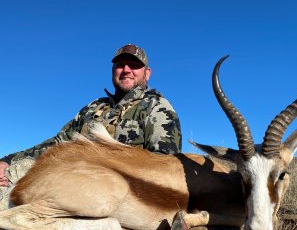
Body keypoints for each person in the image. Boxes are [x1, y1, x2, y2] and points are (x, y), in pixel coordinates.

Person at [0, 44, 182, 187]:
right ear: (113, 71)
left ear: (147, 73)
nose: (126, 70)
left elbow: (165, 168)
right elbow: (57, 143)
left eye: (134, 65)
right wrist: (7, 160)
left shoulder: (157, 107)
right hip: (71, 181)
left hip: (117, 194)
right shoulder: (93, 107)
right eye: (120, 65)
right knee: (8, 176)